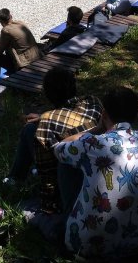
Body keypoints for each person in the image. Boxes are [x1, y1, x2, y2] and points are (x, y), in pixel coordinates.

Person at [54, 87, 138, 259]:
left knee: (67, 163)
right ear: (135, 114)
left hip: (84, 247)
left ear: (104, 114)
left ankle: (57, 216)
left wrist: (96, 129)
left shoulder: (91, 143)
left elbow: (58, 149)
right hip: (137, 247)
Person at [7, 68, 103, 214]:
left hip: (69, 178)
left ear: (48, 94)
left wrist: (48, 204)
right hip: (97, 169)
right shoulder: (93, 102)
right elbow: (72, 117)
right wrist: (43, 116)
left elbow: (47, 171)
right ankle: (14, 178)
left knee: (29, 130)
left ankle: (13, 179)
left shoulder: (47, 123)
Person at [0, 8, 43, 79]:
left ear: (1, 22)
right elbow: (19, 44)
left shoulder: (6, 30)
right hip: (37, 56)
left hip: (24, 64)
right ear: (11, 16)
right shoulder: (21, 23)